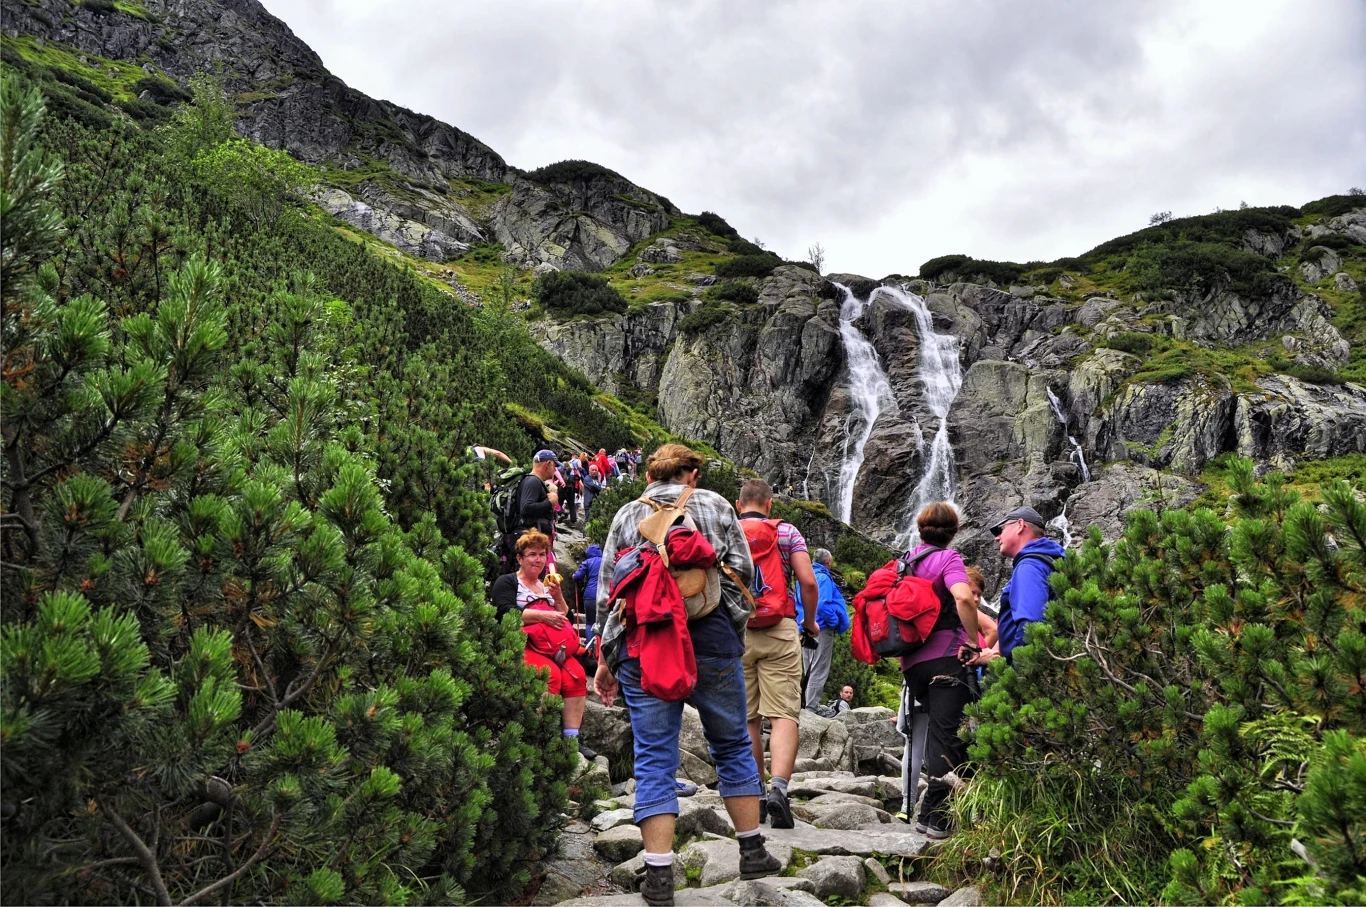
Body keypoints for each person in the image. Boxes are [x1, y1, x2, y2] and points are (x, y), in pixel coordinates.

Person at [594, 444, 781, 905]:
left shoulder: (625, 515)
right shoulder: (716, 505)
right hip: (712, 640)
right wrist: (728, 629)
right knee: (733, 743)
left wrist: (605, 658)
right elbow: (743, 574)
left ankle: (658, 876)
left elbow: (607, 590)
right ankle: (752, 850)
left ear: (650, 475)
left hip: (646, 643)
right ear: (692, 473)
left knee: (655, 755)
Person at [735, 478, 820, 829]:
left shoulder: (727, 530)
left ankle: (754, 791)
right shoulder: (786, 532)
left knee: (749, 717)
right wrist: (810, 623)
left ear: (739, 505)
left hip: (736, 630)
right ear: (769, 504)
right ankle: (779, 790)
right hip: (780, 627)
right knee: (784, 713)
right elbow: (809, 581)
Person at [898, 502, 985, 840]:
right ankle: (940, 820)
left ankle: (927, 814)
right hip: (946, 659)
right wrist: (974, 642)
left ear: (921, 529)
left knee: (938, 734)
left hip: (913, 664)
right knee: (949, 738)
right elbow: (963, 598)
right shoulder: (948, 559)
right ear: (954, 531)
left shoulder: (906, 560)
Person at [491, 530, 592, 759]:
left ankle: (571, 739)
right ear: (519, 558)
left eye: (542, 554)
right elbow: (503, 612)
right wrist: (542, 616)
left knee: (576, 675)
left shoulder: (547, 586)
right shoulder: (507, 582)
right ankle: (541, 738)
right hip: (524, 643)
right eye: (532, 554)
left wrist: (558, 598)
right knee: (550, 675)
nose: (538, 559)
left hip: (553, 645)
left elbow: (565, 615)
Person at [990, 506, 1065, 662]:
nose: (997, 537)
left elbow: (1031, 625)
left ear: (1020, 525)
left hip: (1030, 671)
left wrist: (1019, 671)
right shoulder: (1054, 560)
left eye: (1000, 529)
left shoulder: (1029, 566)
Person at [797, 548, 849, 710]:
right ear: (828, 562)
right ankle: (812, 707)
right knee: (819, 668)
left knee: (809, 667)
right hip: (821, 627)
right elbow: (821, 604)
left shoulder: (803, 576)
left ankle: (805, 704)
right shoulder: (824, 578)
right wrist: (833, 622)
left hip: (804, 626)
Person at [573, 543, 603, 644]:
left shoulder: (587, 562)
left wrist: (574, 576)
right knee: (603, 622)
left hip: (590, 596)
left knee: (590, 622)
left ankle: (590, 647)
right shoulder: (606, 561)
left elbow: (577, 576)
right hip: (604, 595)